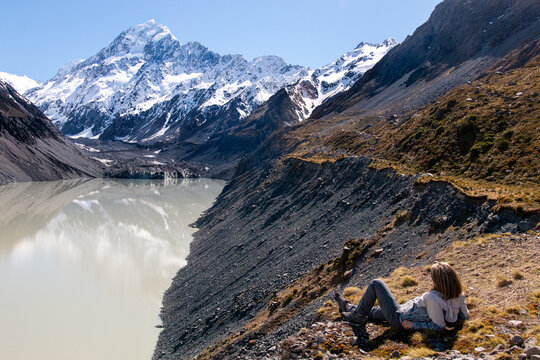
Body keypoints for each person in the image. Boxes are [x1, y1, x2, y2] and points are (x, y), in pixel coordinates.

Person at [334, 262, 469, 344]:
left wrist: (412, 325)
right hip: (404, 309)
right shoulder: (458, 294)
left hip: (400, 317)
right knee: (373, 311)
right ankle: (347, 306)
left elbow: (438, 326)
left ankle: (357, 317)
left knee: (376, 283)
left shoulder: (433, 298)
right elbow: (464, 316)